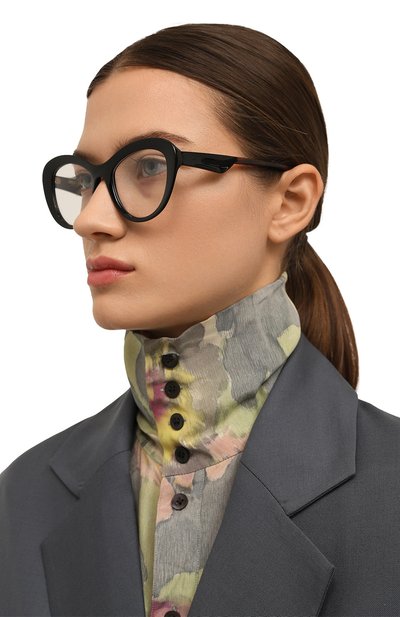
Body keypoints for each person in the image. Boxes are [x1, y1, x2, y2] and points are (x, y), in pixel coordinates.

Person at [1, 22, 399, 617]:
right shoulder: (24, 497)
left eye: (148, 167)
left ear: (290, 201)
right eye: (86, 180)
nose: (90, 219)